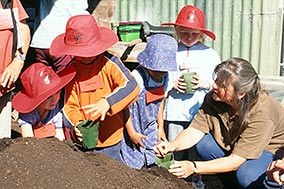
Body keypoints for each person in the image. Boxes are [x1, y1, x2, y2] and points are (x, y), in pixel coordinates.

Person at [154, 57, 284, 188]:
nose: (214, 85)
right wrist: (173, 145)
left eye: (223, 85)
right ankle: (231, 184)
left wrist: (193, 167)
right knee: (205, 144)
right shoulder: (215, 98)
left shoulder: (263, 112)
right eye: (217, 80)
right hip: (235, 145)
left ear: (241, 93)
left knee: (246, 175)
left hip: (267, 151)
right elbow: (196, 129)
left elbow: (236, 160)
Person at [49, 15, 140, 160]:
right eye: (80, 52)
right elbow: (69, 106)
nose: (85, 56)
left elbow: (132, 86)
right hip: (82, 141)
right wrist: (77, 124)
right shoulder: (70, 70)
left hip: (110, 141)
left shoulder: (109, 63)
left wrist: (107, 102)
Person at [162, 5, 221, 161]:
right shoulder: (171, 51)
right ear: (177, 30)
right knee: (174, 146)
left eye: (194, 33)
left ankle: (196, 179)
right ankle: (172, 178)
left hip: (199, 110)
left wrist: (205, 83)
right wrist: (172, 84)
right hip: (175, 109)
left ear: (201, 34)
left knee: (197, 147)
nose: (189, 37)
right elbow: (159, 78)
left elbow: (218, 82)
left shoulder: (210, 54)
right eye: (184, 33)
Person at [120, 34, 178, 169]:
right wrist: (131, 133)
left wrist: (160, 128)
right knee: (132, 161)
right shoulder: (137, 77)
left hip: (151, 126)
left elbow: (160, 102)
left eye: (163, 70)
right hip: (134, 124)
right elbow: (125, 107)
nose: (160, 73)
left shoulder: (165, 78)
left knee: (152, 159)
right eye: (156, 69)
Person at [12, 63, 75, 141]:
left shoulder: (56, 110)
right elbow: (28, 141)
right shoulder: (28, 114)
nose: (55, 99)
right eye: (48, 97)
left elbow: (60, 140)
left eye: (58, 92)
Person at [28, 0, 89, 72]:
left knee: (45, 80)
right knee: (65, 78)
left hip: (40, 41)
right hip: (60, 43)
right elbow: (82, 18)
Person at [0, 0, 30, 138]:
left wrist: (18, 61)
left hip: (4, 85)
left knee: (3, 143)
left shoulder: (9, 1)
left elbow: (23, 28)